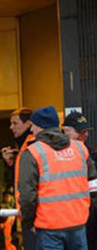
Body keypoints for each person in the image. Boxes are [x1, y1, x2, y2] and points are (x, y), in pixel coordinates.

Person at [19, 106, 97, 250]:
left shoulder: (32, 153)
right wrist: (85, 213)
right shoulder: (80, 149)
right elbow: (93, 186)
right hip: (78, 225)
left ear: (40, 127)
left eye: (33, 126)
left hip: (49, 228)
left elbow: (27, 197)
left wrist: (29, 222)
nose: (31, 130)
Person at [0, 107, 35, 249]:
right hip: (28, 211)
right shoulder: (22, 146)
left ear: (27, 124)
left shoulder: (32, 144)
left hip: (34, 213)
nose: (11, 127)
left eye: (15, 123)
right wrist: (11, 164)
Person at [63, 112, 97, 250]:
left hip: (90, 218)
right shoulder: (55, 154)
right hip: (66, 219)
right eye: (80, 131)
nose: (85, 135)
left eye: (86, 131)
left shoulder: (92, 154)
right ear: (65, 131)